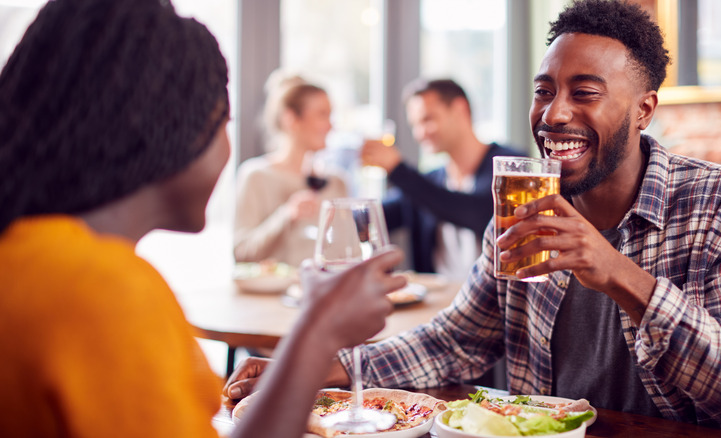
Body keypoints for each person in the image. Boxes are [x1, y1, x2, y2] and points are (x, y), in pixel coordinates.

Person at [229, 0, 721, 434]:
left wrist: (620, 275)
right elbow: (455, 340)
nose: (555, 113)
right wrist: (317, 372)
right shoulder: (523, 207)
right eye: (544, 91)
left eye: (584, 93)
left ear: (643, 109)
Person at [0, 1, 405, 438]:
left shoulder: (28, 258)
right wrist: (317, 333)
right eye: (223, 121)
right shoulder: (101, 291)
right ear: (168, 127)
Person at [361, 78, 524, 280]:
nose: (420, 133)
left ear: (460, 109)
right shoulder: (431, 181)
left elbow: (478, 213)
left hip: (494, 305)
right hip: (439, 303)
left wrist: (398, 170)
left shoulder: (512, 166)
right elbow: (373, 218)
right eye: (415, 125)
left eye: (428, 119)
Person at [233, 72, 348, 267]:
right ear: (290, 119)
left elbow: (348, 255)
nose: (331, 126)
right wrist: (286, 215)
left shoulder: (336, 182)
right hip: (272, 296)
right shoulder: (256, 176)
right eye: (322, 115)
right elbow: (242, 253)